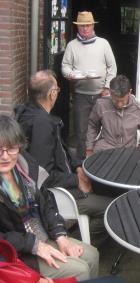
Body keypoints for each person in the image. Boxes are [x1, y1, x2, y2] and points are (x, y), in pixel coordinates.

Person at [15, 70, 112, 246]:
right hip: (59, 195)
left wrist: (77, 167)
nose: (58, 93)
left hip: (66, 182)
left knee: (105, 187)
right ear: (52, 94)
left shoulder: (31, 114)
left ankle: (72, 230)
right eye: (58, 89)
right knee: (113, 207)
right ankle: (75, 242)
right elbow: (43, 175)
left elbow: (63, 152)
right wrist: (76, 180)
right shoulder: (41, 125)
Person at [0, 115, 99, 281]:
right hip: (17, 253)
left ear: (19, 146)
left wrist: (61, 236)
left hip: (44, 236)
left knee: (92, 255)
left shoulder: (26, 167)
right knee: (80, 270)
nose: (5, 156)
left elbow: (47, 203)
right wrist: (34, 245)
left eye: (11, 148)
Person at [62, 11, 117, 160]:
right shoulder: (72, 46)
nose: (85, 28)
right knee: (81, 131)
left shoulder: (103, 43)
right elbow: (65, 66)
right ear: (77, 27)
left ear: (93, 25)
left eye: (88, 25)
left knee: (106, 129)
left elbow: (112, 67)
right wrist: (71, 74)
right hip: (81, 95)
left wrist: (106, 87)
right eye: (82, 26)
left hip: (102, 95)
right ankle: (81, 163)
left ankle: (101, 160)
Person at [86, 75, 140, 156]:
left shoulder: (138, 108)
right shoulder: (101, 104)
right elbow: (92, 125)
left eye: (122, 101)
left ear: (129, 92)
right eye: (115, 100)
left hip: (128, 152)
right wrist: (89, 147)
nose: (119, 104)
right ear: (110, 92)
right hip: (104, 149)